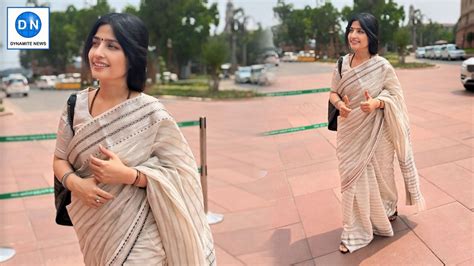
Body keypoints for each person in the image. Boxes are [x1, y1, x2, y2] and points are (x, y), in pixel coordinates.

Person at [52, 13, 215, 265]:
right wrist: (77, 185)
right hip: (95, 229)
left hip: (143, 226)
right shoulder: (75, 106)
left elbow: (182, 173)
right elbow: (59, 159)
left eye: (111, 46)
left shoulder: (150, 112)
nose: (98, 52)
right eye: (95, 43)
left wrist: (129, 175)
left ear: (132, 56)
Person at [328, 13, 425, 254]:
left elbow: (396, 97)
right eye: (351, 30)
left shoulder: (382, 66)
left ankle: (387, 210)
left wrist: (378, 103)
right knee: (350, 180)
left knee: (382, 176)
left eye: (360, 31)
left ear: (371, 36)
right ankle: (354, 230)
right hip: (350, 132)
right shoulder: (341, 64)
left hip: (378, 132)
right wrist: (339, 104)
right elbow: (332, 92)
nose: (354, 35)